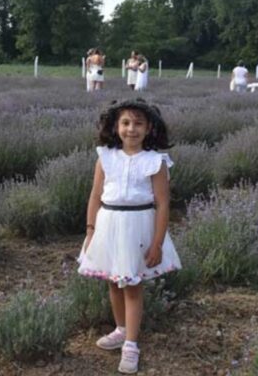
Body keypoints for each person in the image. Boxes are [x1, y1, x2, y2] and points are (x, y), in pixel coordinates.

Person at [78, 98, 182, 374]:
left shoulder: (155, 162)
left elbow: (163, 204)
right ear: (116, 126)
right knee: (114, 282)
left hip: (138, 226)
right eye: (125, 123)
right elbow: (95, 196)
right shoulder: (106, 157)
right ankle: (121, 329)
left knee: (132, 286)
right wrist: (90, 230)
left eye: (138, 123)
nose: (131, 129)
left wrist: (157, 243)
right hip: (108, 224)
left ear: (149, 128)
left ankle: (131, 345)